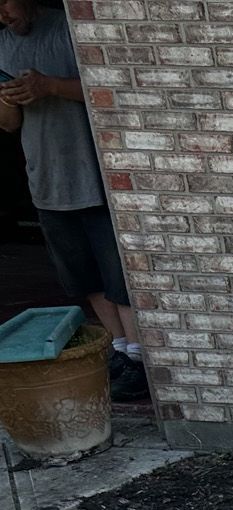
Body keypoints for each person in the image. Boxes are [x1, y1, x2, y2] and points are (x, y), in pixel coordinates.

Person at [0, 0, 145, 400]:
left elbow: (109, 88)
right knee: (85, 277)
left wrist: (50, 85)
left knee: (119, 278)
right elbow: (8, 125)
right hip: (46, 181)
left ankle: (140, 359)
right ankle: (118, 350)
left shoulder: (71, 28)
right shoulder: (2, 45)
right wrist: (10, 98)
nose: (3, 15)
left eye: (6, 3)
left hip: (95, 176)